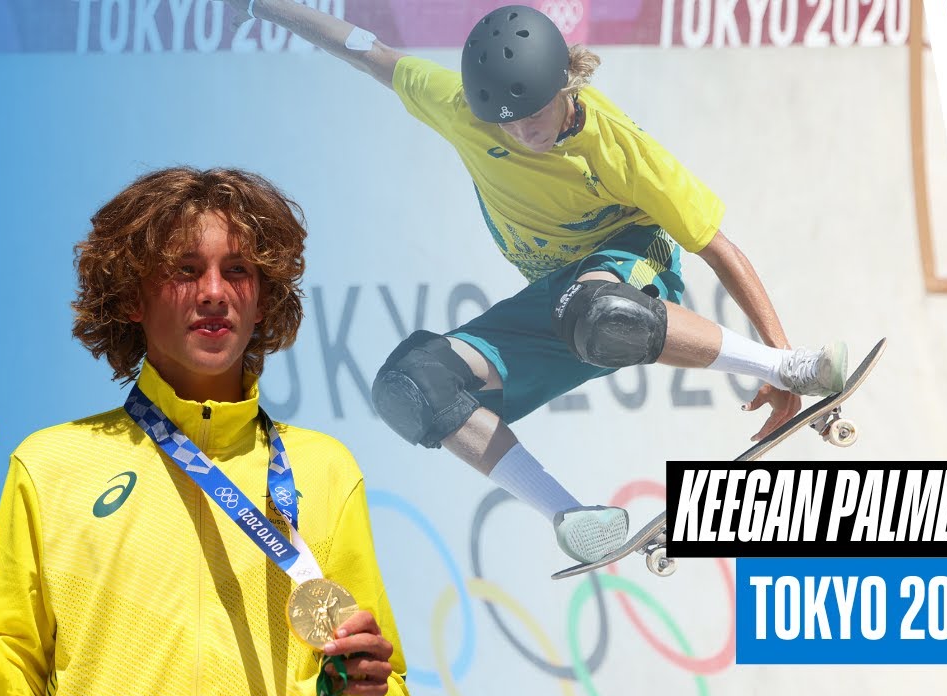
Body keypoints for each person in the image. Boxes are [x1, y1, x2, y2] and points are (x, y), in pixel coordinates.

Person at [235, 0, 848, 564]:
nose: (525, 134)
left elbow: (718, 247)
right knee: (413, 383)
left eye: (536, 115)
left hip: (632, 262)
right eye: (508, 124)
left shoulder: (619, 148)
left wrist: (781, 363)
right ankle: (571, 516)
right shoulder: (461, 108)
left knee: (599, 311)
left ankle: (791, 366)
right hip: (555, 293)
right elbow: (365, 50)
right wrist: (262, 5)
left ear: (565, 84)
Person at [0, 167, 410, 696]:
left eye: (238, 270)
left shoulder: (325, 469)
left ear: (262, 299)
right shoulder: (50, 464)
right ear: (132, 296)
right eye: (185, 270)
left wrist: (364, 693)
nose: (214, 292)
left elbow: (388, 695)